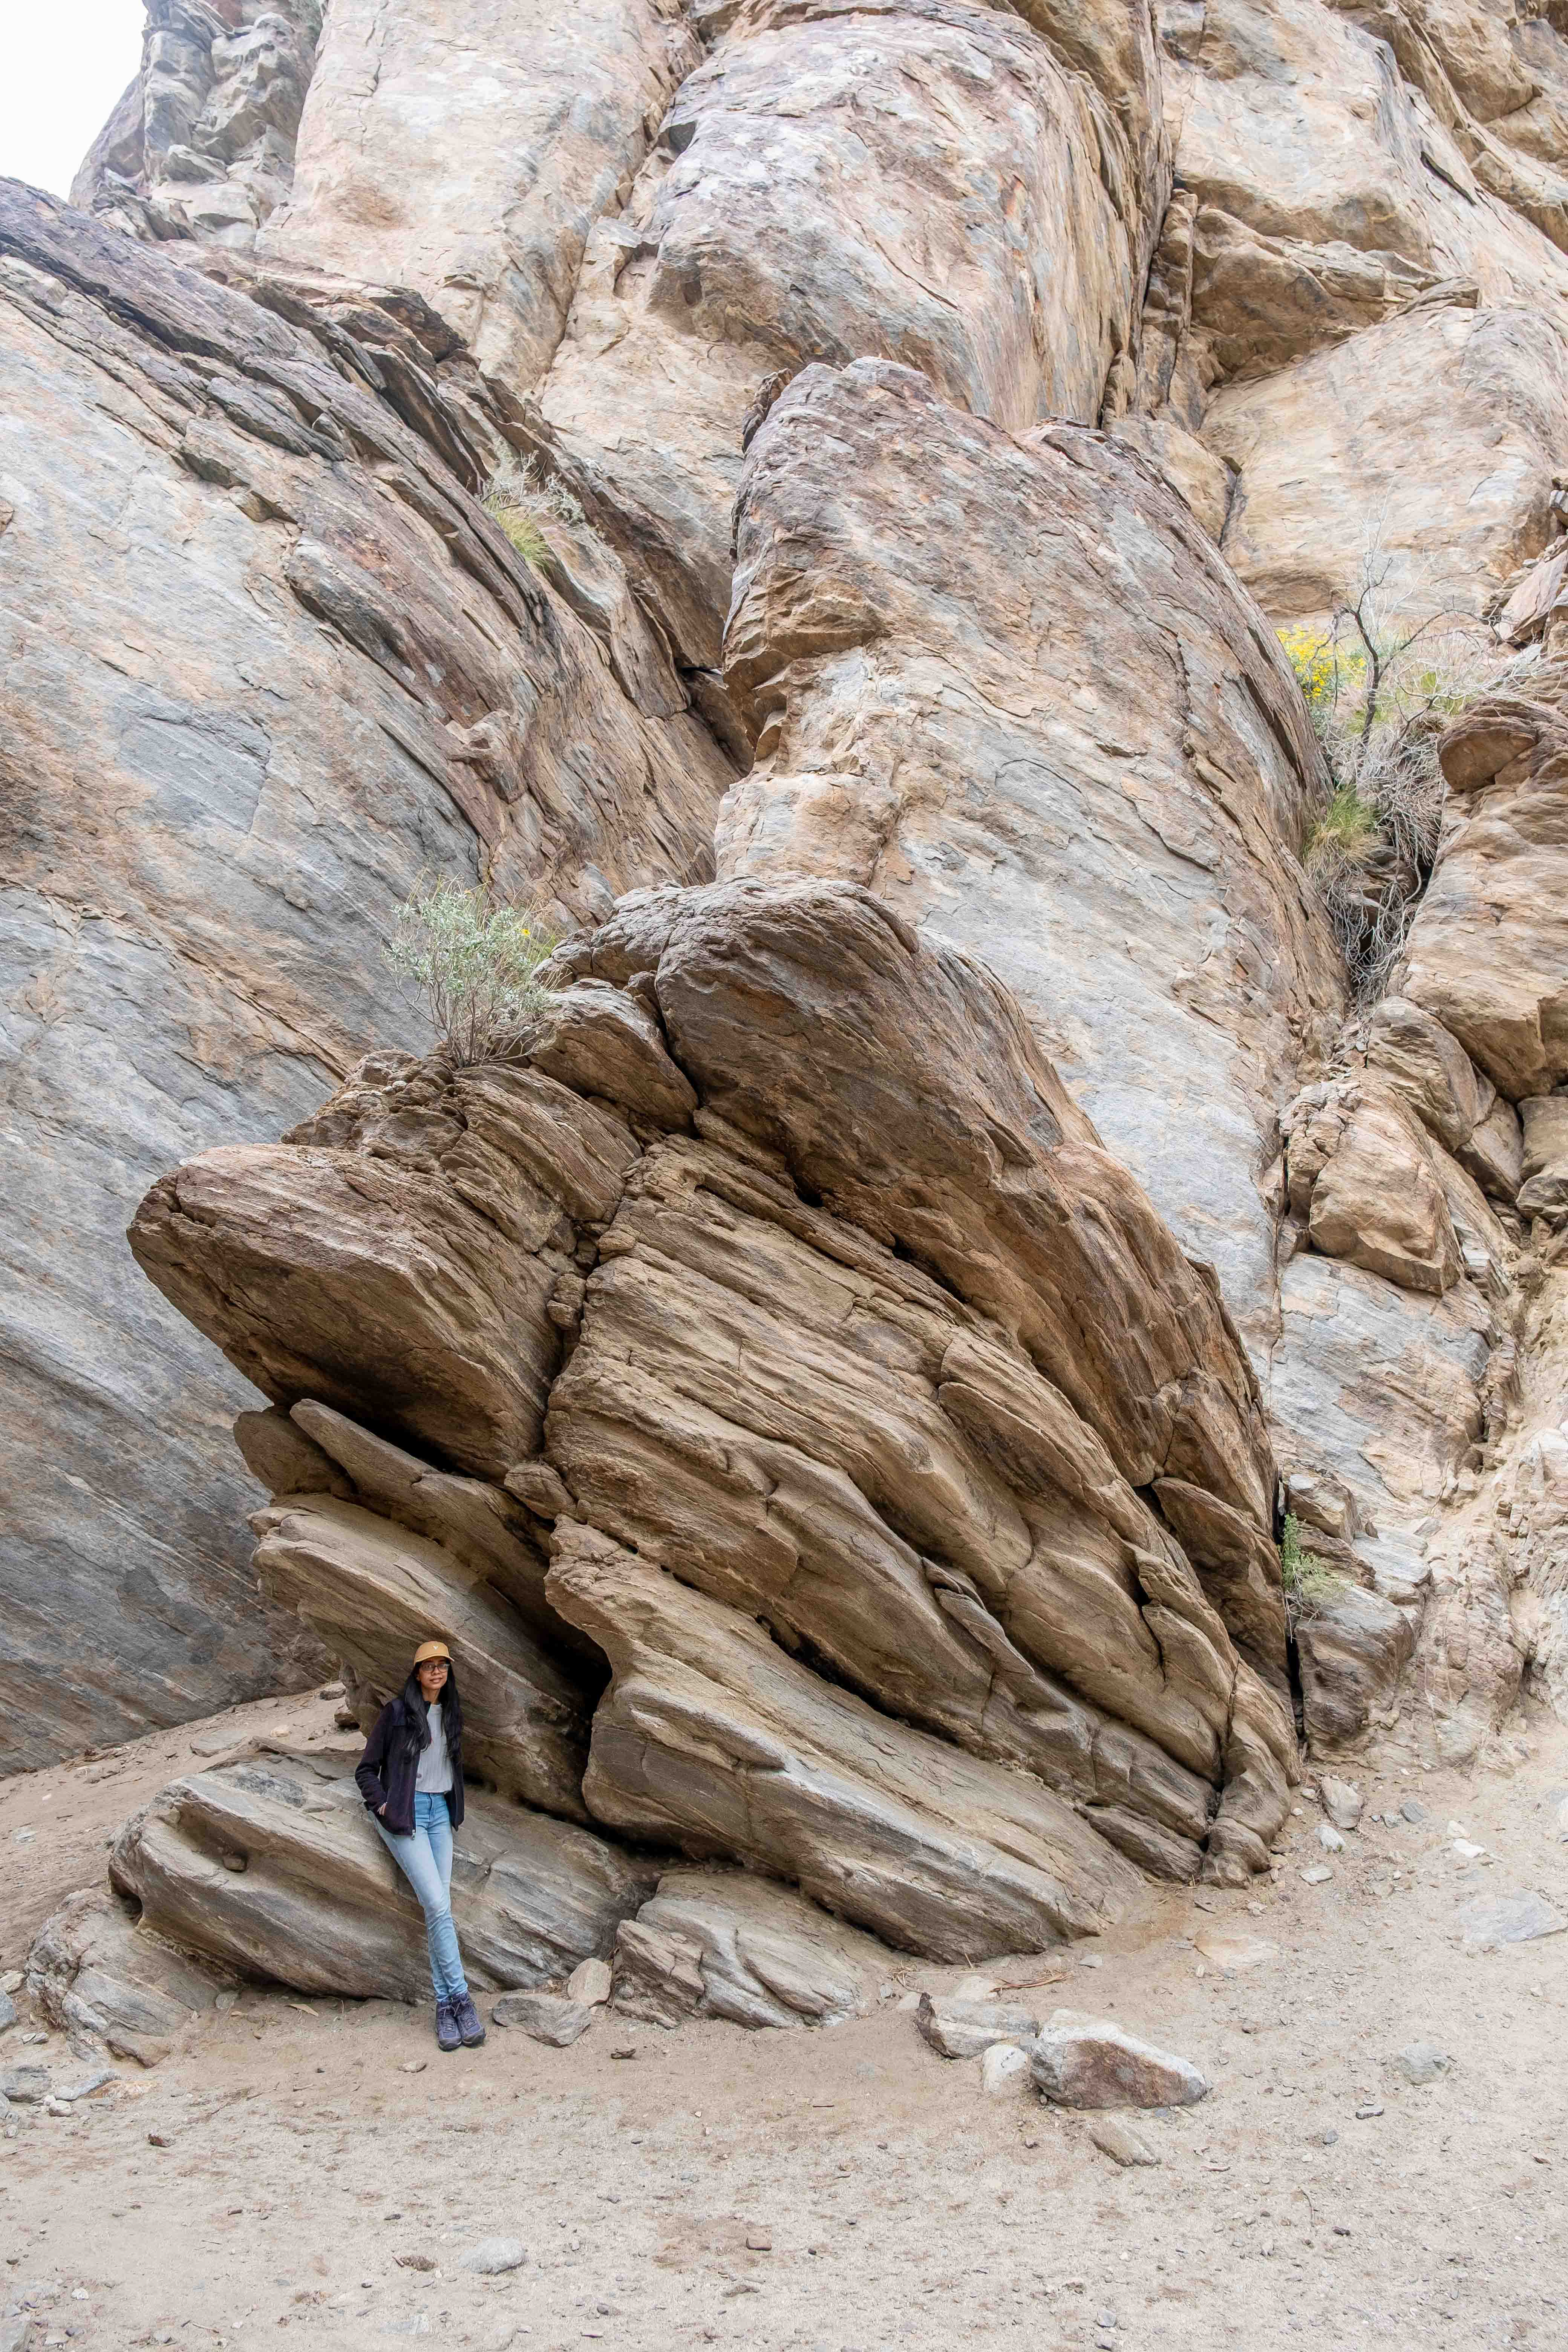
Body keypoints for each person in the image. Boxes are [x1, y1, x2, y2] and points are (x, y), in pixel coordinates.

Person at [355, 1639, 486, 2053]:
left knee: (438, 1909)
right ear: (416, 1673)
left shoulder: (452, 1714)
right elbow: (365, 1770)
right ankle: (462, 2000)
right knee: (438, 1904)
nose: (435, 1672)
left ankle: (445, 2008)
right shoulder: (396, 1713)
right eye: (428, 1667)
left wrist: (455, 1810)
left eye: (441, 1666)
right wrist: (385, 1804)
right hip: (407, 1817)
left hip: (441, 1817)